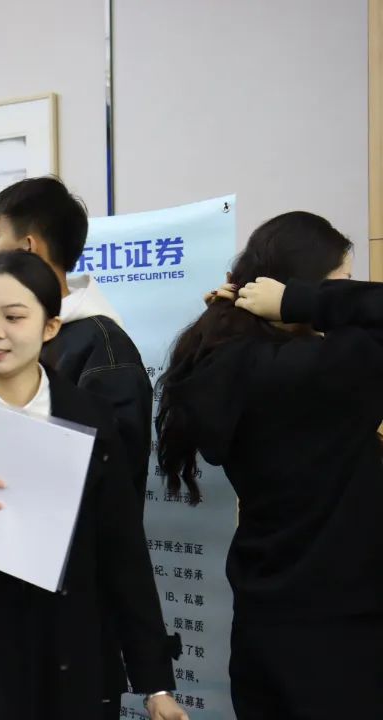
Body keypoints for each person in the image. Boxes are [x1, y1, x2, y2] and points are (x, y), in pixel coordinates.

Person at [0, 251, 186, 720]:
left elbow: (122, 553)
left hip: (69, 657)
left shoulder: (88, 418)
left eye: (13, 317)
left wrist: (155, 683)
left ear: (50, 326)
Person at [0, 177, 156, 715]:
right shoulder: (12, 355)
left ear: (28, 246)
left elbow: (115, 507)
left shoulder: (100, 346)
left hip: (66, 622)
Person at [155, 212, 381, 718]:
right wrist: (303, 302)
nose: (348, 292)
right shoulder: (325, 371)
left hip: (262, 614)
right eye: (340, 282)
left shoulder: (224, 363)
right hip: (341, 627)